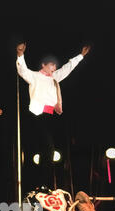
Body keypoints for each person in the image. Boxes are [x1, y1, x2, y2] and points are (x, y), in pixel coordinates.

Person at [16, 42, 90, 188]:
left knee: (51, 151)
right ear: (43, 65)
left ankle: (46, 183)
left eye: (55, 66)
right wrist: (20, 54)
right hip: (38, 115)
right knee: (45, 149)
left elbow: (68, 68)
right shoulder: (35, 76)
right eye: (51, 65)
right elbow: (23, 70)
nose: (54, 68)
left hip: (51, 116)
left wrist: (81, 56)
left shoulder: (55, 78)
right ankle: (38, 183)